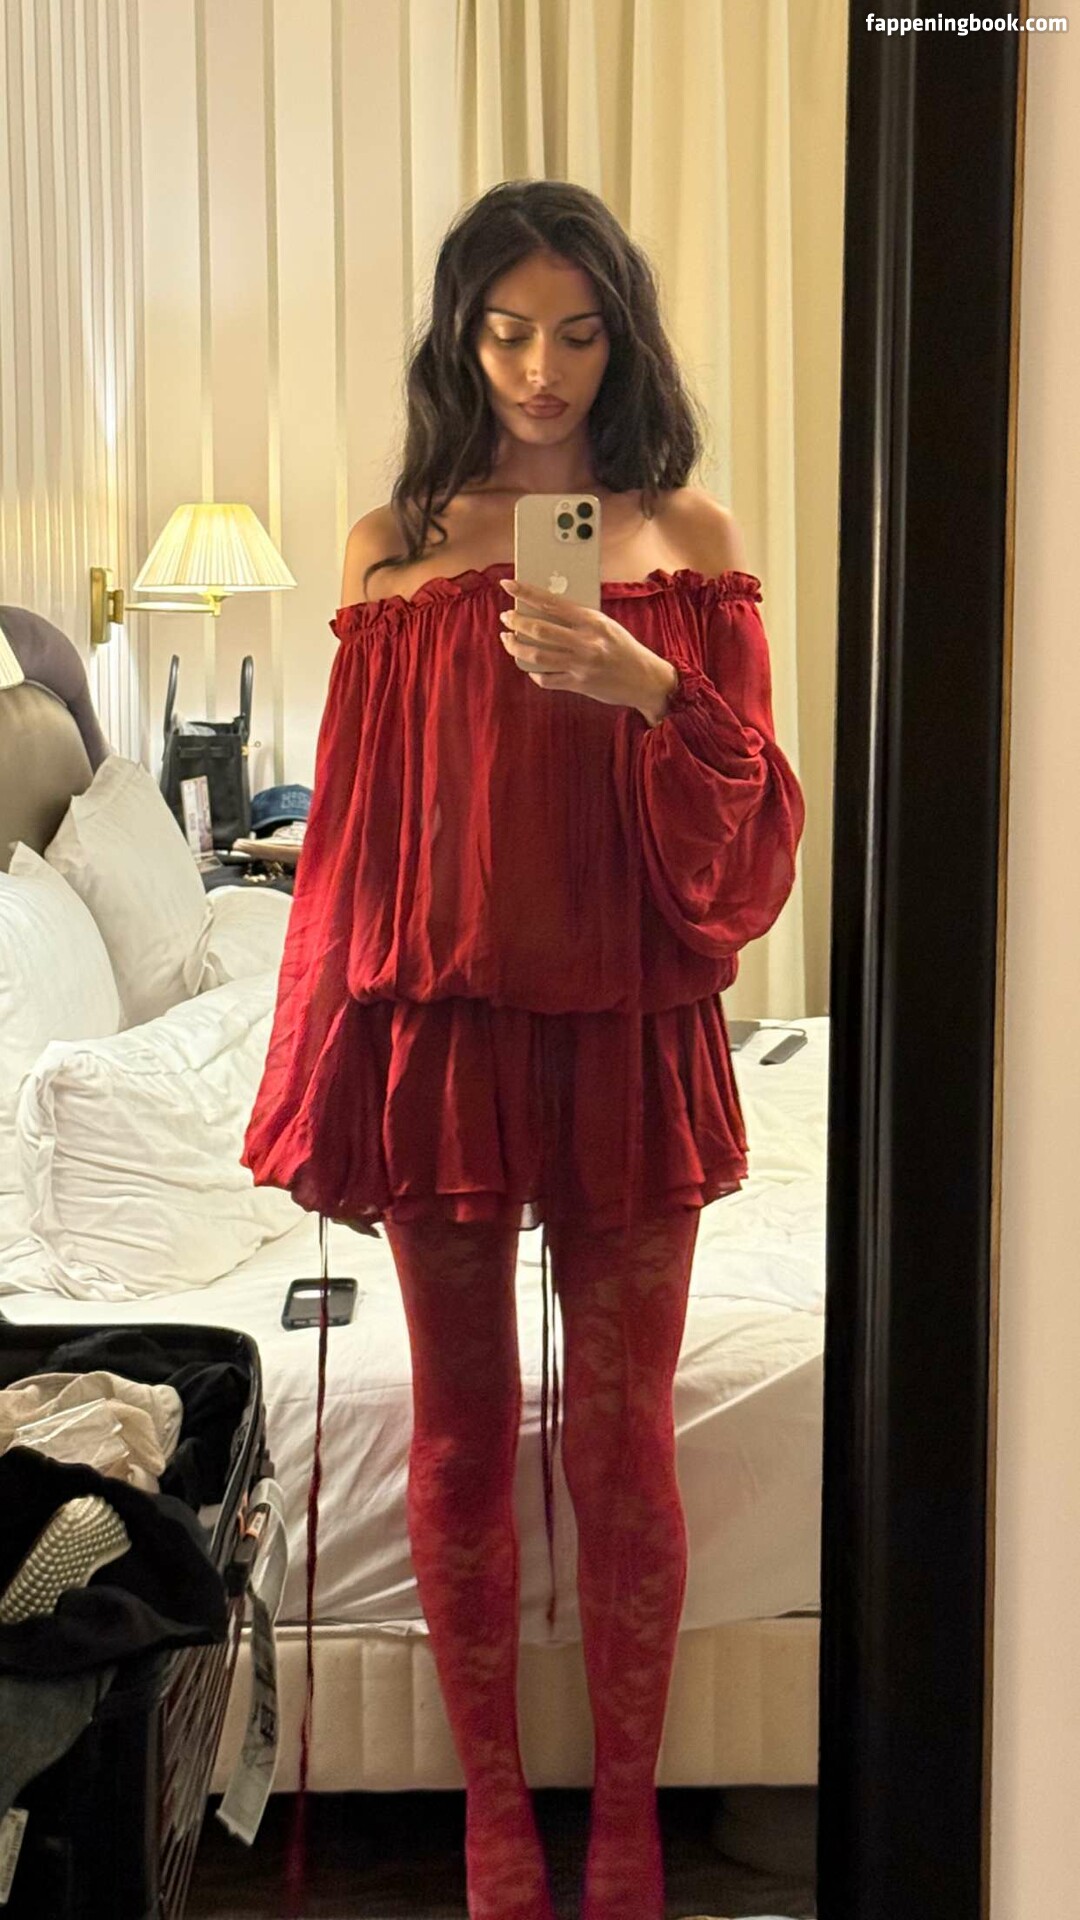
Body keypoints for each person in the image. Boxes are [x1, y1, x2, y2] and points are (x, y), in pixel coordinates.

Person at [243, 178, 806, 1920]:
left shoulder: (688, 538)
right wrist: (322, 1064)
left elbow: (753, 836)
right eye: (505, 335)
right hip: (446, 1044)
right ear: (458, 341)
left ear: (623, 340)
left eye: (575, 333)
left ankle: (627, 1823)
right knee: (462, 1436)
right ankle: (495, 1818)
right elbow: (353, 839)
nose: (542, 371)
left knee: (625, 1444)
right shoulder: (393, 544)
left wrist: (650, 686)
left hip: (633, 1034)